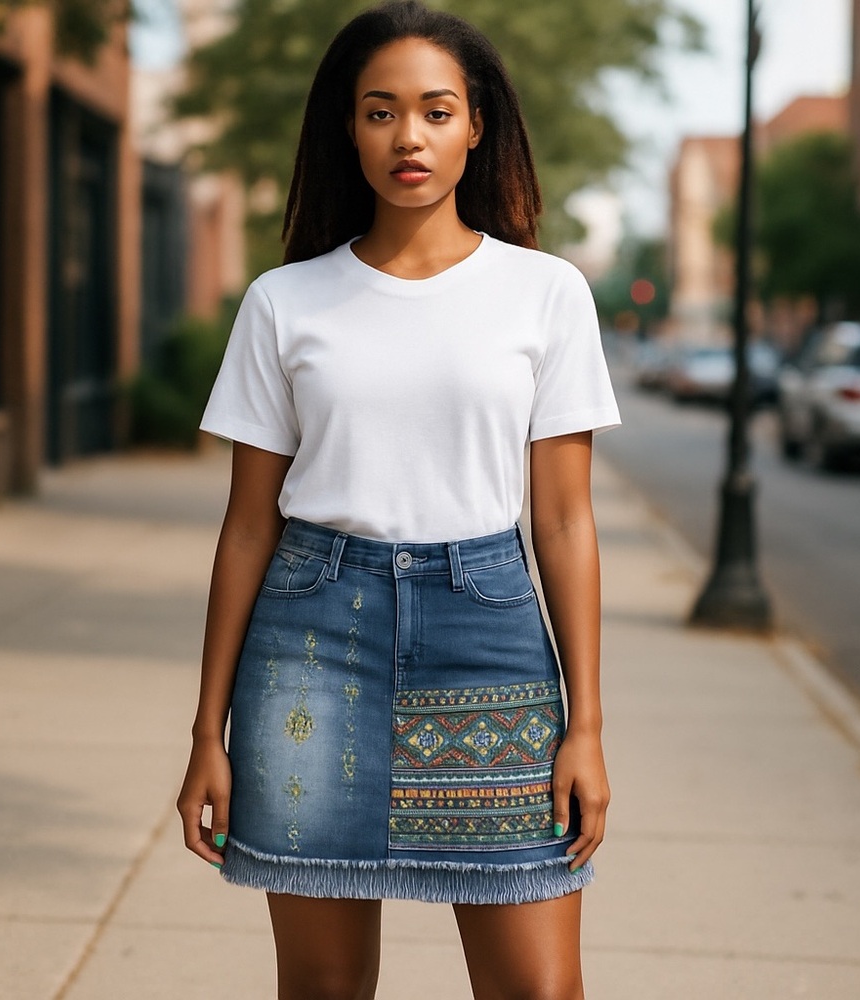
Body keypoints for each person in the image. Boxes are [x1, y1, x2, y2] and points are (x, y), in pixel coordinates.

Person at [176, 2, 620, 997]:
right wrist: (207, 732)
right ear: (348, 127)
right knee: (324, 990)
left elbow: (562, 520)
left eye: (434, 110)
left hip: (490, 637)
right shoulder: (283, 303)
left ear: (475, 127)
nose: (407, 136)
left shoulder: (545, 295)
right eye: (380, 111)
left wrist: (585, 724)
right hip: (310, 643)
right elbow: (249, 526)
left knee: (539, 989)